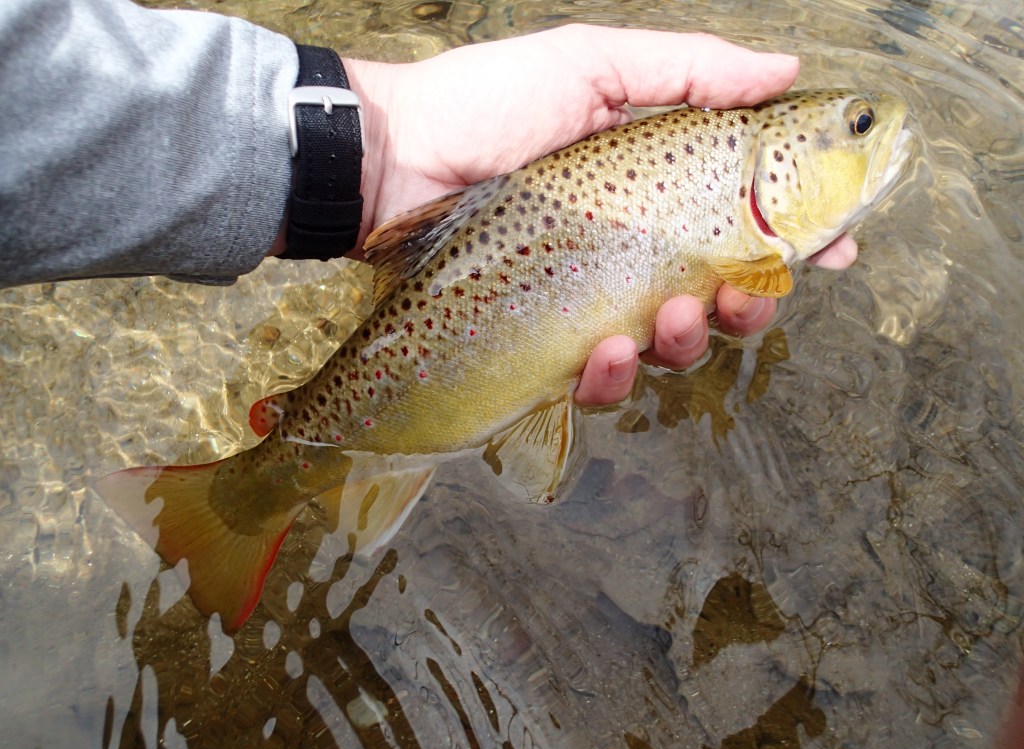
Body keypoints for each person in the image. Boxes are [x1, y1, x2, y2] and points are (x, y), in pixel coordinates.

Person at [0, 0, 856, 407]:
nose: (871, 133)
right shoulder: (746, 225)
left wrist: (380, 142)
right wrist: (375, 145)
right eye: (855, 127)